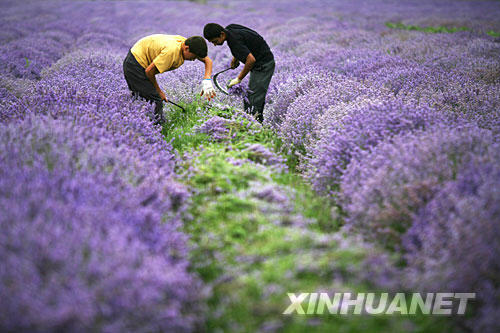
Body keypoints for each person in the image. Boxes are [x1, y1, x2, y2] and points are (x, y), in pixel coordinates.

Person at [123, 34, 216, 125]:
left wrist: (207, 80)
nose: (194, 59)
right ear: (187, 48)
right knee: (156, 99)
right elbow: (149, 71)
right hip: (135, 65)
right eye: (194, 56)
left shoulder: (188, 44)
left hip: (138, 58)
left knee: (142, 96)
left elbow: (208, 61)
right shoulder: (172, 52)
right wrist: (159, 91)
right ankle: (157, 127)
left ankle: (135, 121)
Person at [203, 23, 275, 123]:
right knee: (251, 97)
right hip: (261, 60)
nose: (215, 44)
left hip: (263, 65)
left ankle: (256, 125)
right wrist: (236, 57)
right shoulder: (230, 29)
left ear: (222, 34)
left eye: (215, 41)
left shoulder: (234, 41)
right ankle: (251, 121)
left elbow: (251, 60)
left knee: (253, 99)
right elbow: (244, 43)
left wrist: (238, 79)